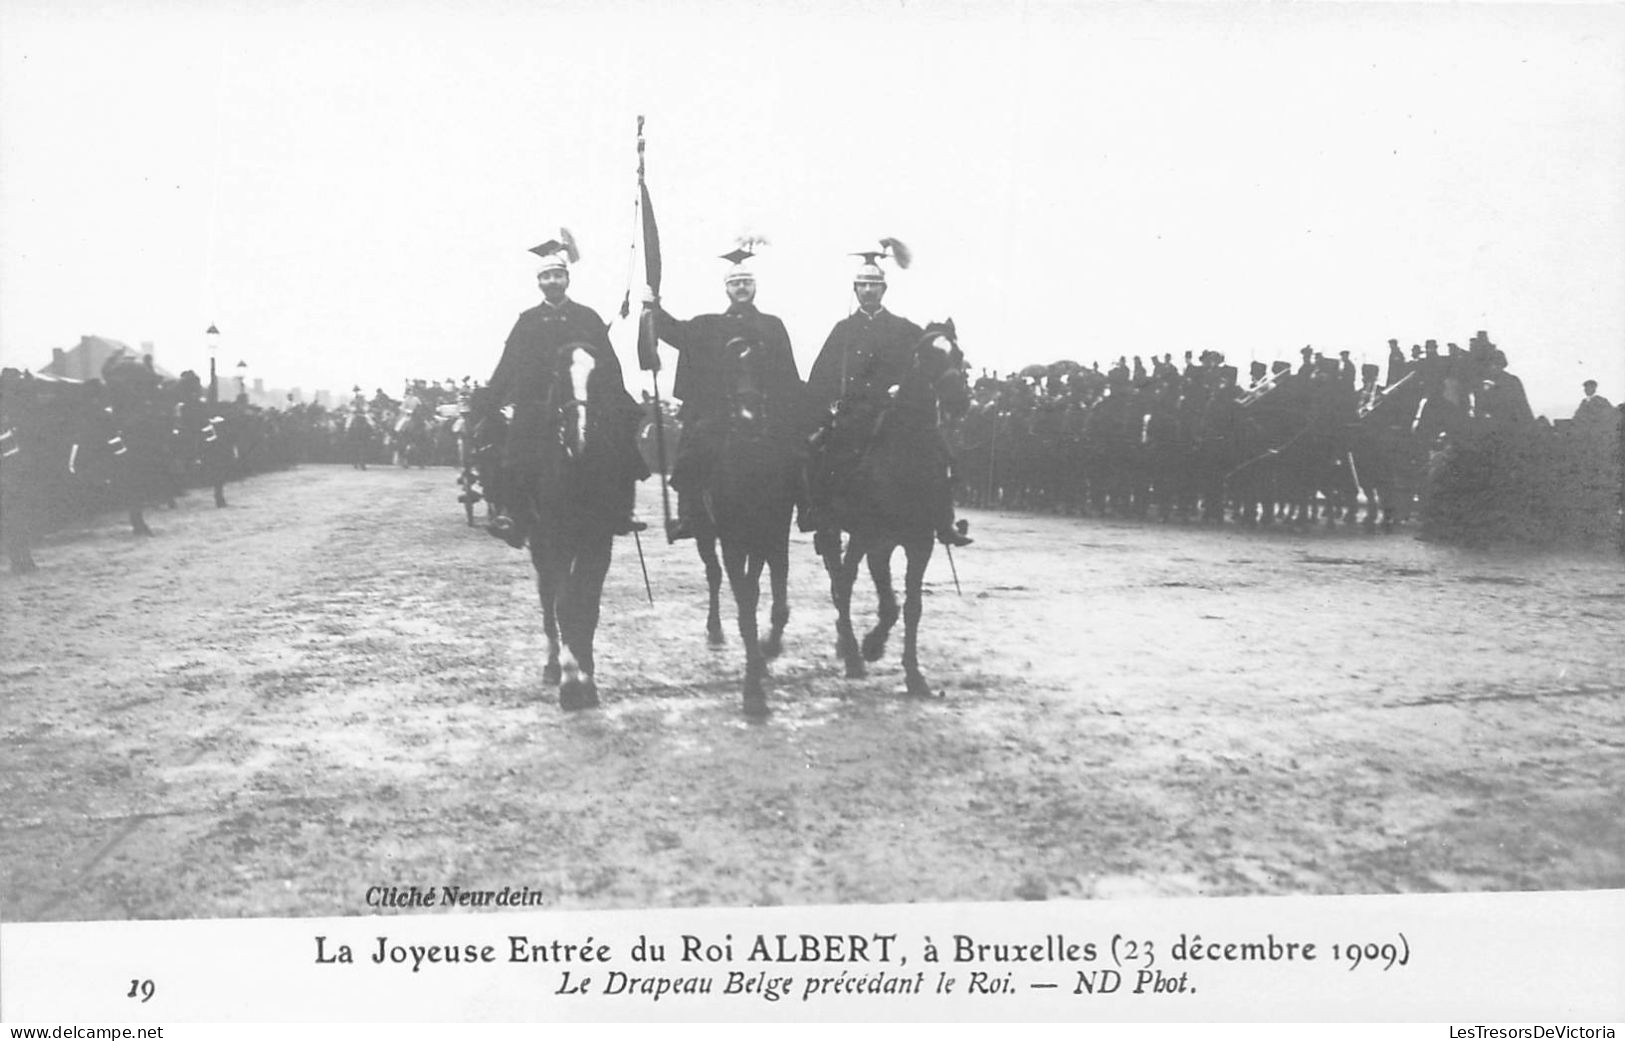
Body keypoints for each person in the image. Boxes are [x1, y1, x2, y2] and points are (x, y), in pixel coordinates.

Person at [804, 244, 972, 550]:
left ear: (884, 290)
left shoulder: (904, 329)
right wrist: (826, 408)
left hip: (897, 411)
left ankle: (944, 521)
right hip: (855, 412)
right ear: (855, 290)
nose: (869, 291)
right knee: (824, 455)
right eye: (863, 286)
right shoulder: (843, 330)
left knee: (939, 453)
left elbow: (928, 361)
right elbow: (822, 376)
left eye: (875, 286)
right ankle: (824, 521)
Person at [485, 237, 648, 549]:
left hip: (584, 397)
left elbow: (608, 362)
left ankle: (622, 509)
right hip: (537, 402)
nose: (552, 281)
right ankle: (512, 513)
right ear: (539, 282)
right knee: (514, 444)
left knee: (619, 434)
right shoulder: (528, 320)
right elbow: (509, 364)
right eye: (546, 276)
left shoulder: (586, 317)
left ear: (567, 279)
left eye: (557, 275)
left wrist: (613, 397)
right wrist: (494, 400)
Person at [644, 245, 808, 540]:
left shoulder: (772, 325)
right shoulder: (710, 325)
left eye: (746, 282)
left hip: (766, 412)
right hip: (720, 413)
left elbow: (787, 374)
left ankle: (808, 509)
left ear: (755, 286)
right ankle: (690, 516)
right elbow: (675, 332)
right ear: (727, 289)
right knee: (693, 451)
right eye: (735, 283)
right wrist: (653, 307)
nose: (741, 287)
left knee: (798, 454)